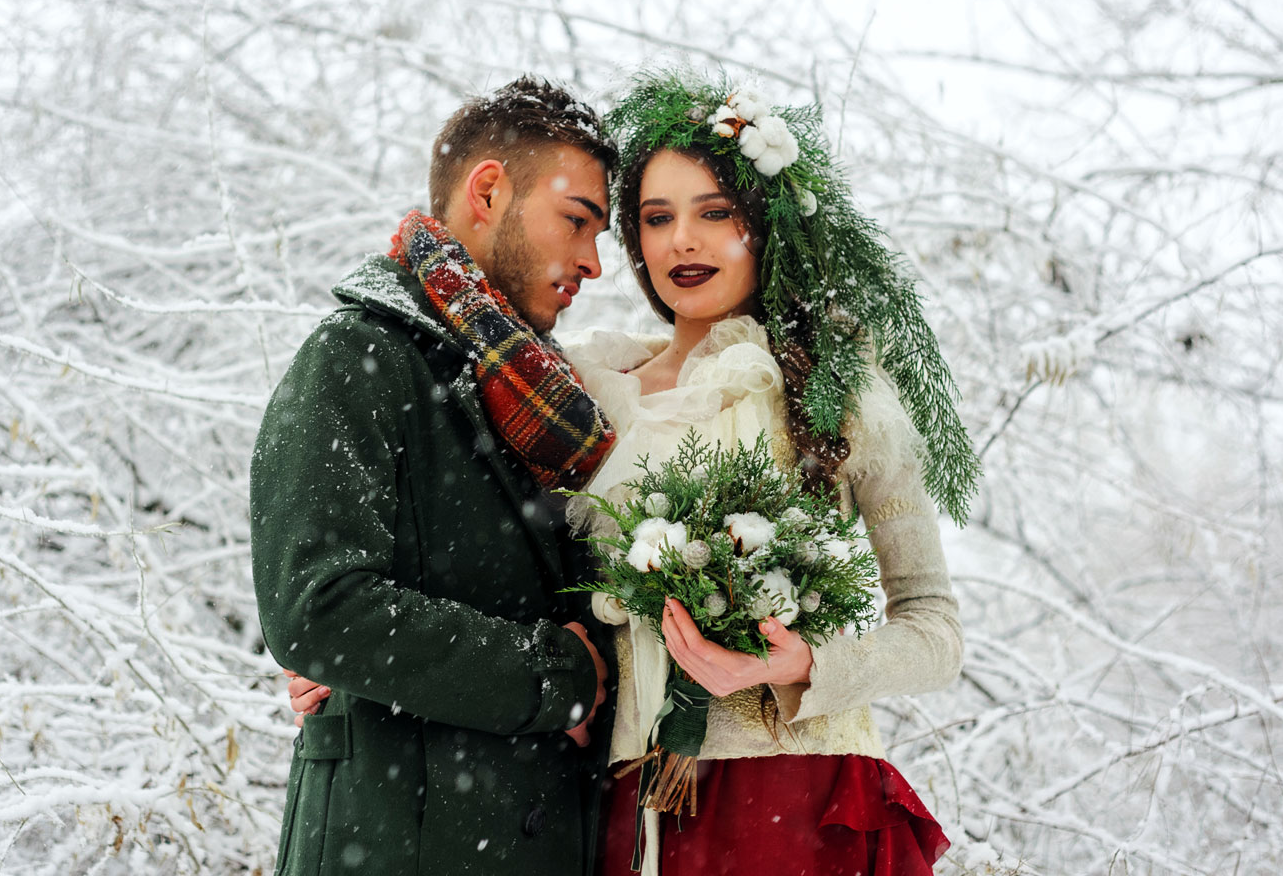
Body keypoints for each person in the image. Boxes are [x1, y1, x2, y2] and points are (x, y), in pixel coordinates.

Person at [286, 69, 981, 875]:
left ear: (767, 225)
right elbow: (497, 575)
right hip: (621, 806)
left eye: (715, 213)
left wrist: (805, 666)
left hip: (793, 796)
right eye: (656, 217)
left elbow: (935, 629)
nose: (681, 240)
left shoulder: (837, 392)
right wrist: (361, 656)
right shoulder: (580, 395)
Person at [249, 76, 618, 876]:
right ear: (489, 190)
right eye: (578, 222)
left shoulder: (554, 404)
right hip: (398, 844)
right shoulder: (356, 357)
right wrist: (555, 678)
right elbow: (319, 608)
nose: (593, 262)